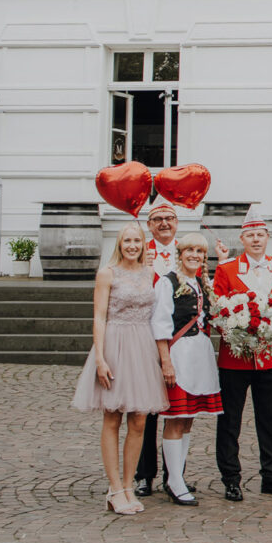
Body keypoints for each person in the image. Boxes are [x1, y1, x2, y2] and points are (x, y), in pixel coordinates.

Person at [72, 223, 168, 515]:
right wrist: (100, 357)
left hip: (141, 345)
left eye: (136, 240)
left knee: (139, 419)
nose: (132, 245)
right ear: (119, 244)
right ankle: (114, 488)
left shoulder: (150, 273)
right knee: (113, 416)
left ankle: (129, 484)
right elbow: (99, 317)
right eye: (127, 240)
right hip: (115, 343)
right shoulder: (107, 273)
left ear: (143, 244)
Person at [211, 207, 272, 502]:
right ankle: (231, 478)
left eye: (260, 235)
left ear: (267, 237)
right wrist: (234, 332)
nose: (256, 240)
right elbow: (218, 312)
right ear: (242, 238)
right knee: (230, 421)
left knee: (270, 419)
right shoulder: (226, 270)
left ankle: (271, 476)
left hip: (270, 358)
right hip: (234, 359)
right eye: (250, 235)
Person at [150, 232, 223, 506]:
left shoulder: (202, 282)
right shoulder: (168, 282)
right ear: (179, 253)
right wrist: (165, 361)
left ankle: (176, 475)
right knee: (175, 417)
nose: (194, 255)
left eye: (200, 251)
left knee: (190, 416)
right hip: (178, 354)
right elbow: (159, 323)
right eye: (189, 250)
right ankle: (174, 480)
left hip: (199, 354)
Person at [133, 201, 183, 497]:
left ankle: (174, 475)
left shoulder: (187, 252)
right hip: (145, 340)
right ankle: (144, 474)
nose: (164, 223)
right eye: (158, 219)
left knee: (178, 412)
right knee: (146, 411)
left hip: (180, 341)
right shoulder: (139, 252)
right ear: (149, 225)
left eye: (170, 218)